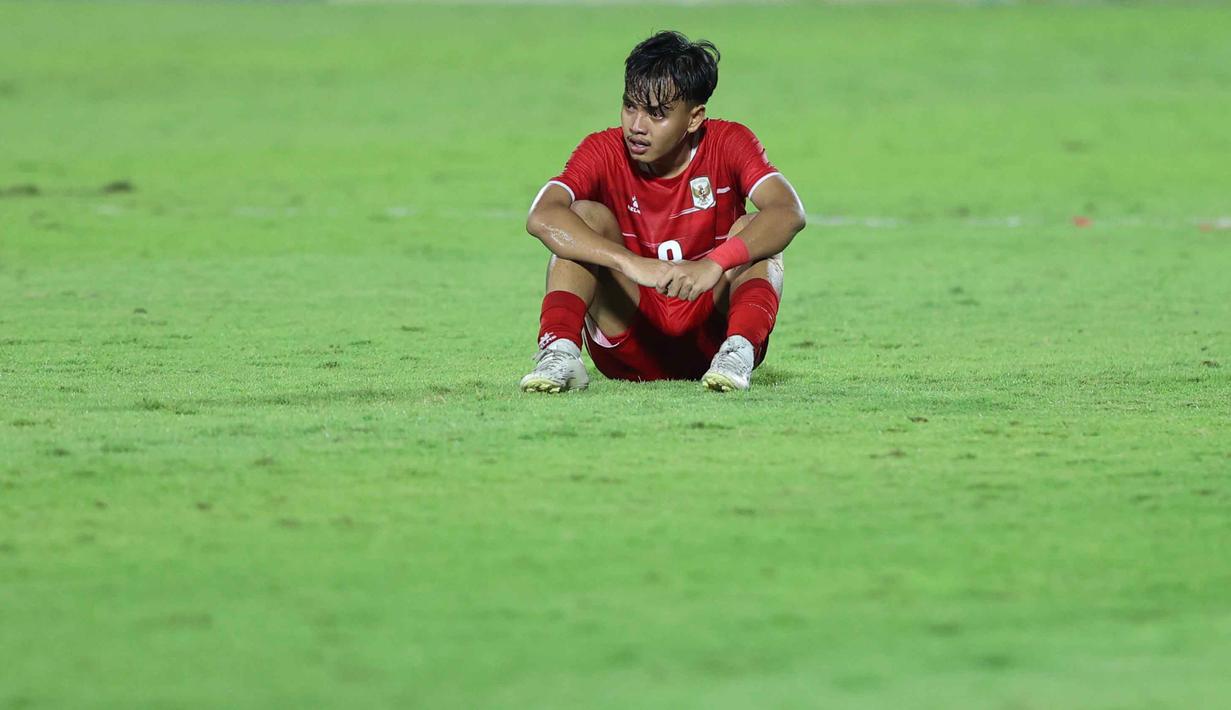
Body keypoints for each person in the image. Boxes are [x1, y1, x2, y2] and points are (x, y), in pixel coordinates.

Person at [520, 30, 806, 393]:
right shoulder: (602, 149)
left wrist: (715, 263)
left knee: (757, 228)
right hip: (629, 342)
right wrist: (630, 262)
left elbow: (789, 211)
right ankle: (559, 353)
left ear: (694, 118)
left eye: (656, 114)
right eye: (630, 106)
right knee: (583, 217)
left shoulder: (729, 143)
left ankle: (738, 352)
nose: (636, 126)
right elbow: (542, 215)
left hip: (711, 338)